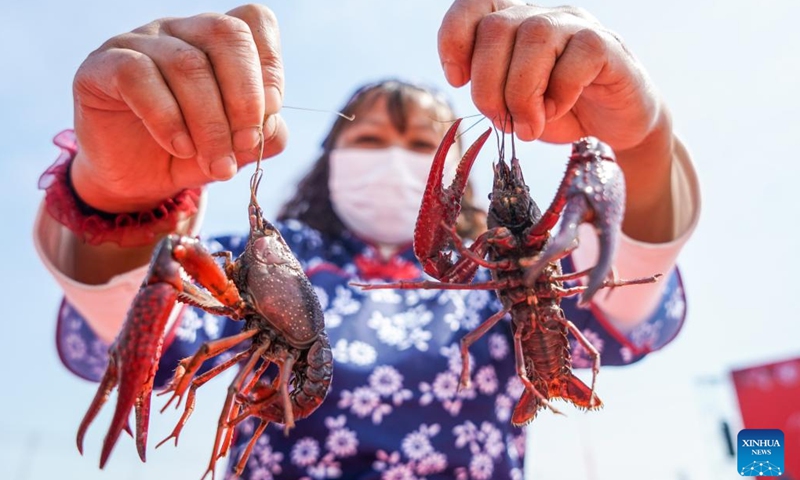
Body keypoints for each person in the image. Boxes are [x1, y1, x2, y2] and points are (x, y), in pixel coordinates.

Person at [34, 1, 700, 479]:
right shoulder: (258, 252)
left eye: (420, 145)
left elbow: (619, 291)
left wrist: (638, 148)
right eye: (370, 139)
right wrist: (125, 207)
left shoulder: (485, 274)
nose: (395, 160)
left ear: (449, 182)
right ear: (329, 161)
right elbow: (132, 336)